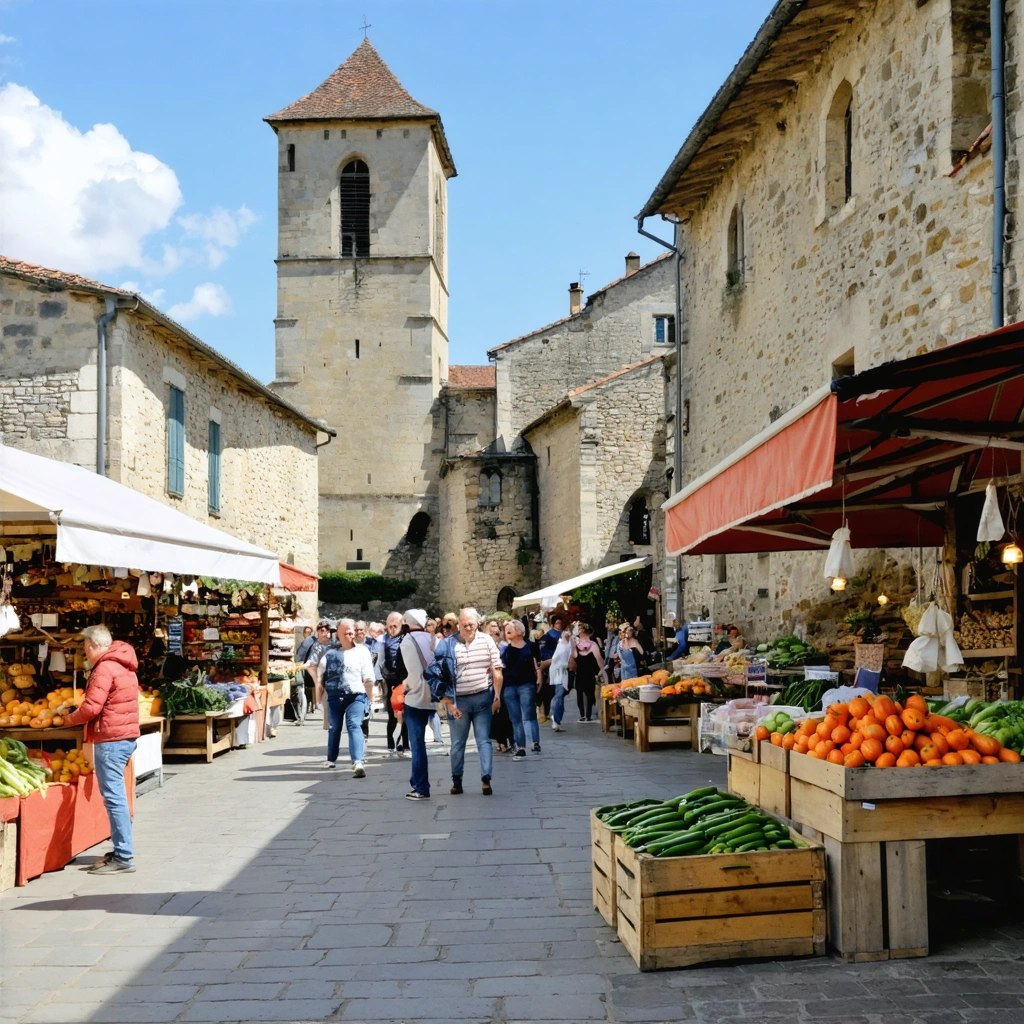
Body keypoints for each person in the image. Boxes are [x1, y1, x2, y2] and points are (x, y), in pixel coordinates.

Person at [57, 625, 140, 873]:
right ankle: (121, 850)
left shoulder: (104, 667)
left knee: (114, 798)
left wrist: (68, 719)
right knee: (117, 797)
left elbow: (92, 707)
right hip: (124, 736)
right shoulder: (124, 664)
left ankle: (124, 857)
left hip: (111, 739)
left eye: (85, 649)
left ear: (93, 645)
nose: (85, 654)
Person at [426, 607, 502, 796]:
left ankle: (486, 778)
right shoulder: (447, 645)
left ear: (477, 624)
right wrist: (448, 703)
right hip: (458, 701)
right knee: (458, 743)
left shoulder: (487, 640)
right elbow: (434, 677)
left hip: (483, 697)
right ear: (458, 624)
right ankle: (457, 780)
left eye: (471, 624)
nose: (468, 628)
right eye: (464, 625)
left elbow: (497, 669)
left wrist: (497, 696)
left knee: (484, 740)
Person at [308, 618, 374, 776]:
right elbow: (319, 676)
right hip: (335, 696)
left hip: (356, 695)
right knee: (335, 727)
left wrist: (370, 699)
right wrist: (318, 698)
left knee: (354, 725)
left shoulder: (362, 651)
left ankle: (358, 762)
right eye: (346, 632)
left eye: (352, 631)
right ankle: (331, 758)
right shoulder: (330, 654)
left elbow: (368, 677)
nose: (350, 635)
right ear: (338, 634)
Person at [394, 609, 435, 800]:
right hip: (434, 694)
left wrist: (403, 689)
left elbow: (406, 672)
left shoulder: (407, 641)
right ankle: (456, 781)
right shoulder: (433, 639)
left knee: (417, 744)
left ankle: (420, 786)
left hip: (415, 696)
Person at [500, 619, 543, 756]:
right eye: (506, 629)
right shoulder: (505, 650)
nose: (507, 630)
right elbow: (499, 669)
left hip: (526, 684)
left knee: (529, 713)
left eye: (510, 628)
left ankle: (535, 742)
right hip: (509, 686)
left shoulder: (531, 646)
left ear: (520, 631)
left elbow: (538, 664)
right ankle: (521, 747)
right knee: (515, 717)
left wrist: (539, 679)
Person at [377, 611, 408, 755]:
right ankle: (391, 743)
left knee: (406, 714)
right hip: (390, 681)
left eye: (395, 626)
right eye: (389, 626)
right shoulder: (383, 639)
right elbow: (380, 660)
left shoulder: (407, 638)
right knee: (392, 714)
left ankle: (405, 743)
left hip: (406, 681)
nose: (392, 629)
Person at [569, 623, 604, 723]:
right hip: (581, 671)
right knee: (580, 692)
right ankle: (583, 715)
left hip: (589, 671)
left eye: (581, 629)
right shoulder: (577, 644)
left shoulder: (592, 644)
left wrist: (602, 669)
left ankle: (587, 715)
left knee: (589, 693)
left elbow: (599, 659)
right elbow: (574, 656)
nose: (580, 632)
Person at [291, 626, 315, 725]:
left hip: (303, 669)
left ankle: (301, 716)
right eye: (306, 632)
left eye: (309, 632)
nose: (308, 634)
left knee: (301, 692)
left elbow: (299, 657)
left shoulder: (309, 643)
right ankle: (301, 715)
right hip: (302, 668)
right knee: (301, 692)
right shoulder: (307, 642)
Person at [549, 630, 572, 732]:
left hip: (560, 673)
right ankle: (555, 717)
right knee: (559, 696)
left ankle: (557, 720)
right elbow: (557, 659)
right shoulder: (563, 646)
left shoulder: (565, 645)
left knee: (560, 697)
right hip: (560, 673)